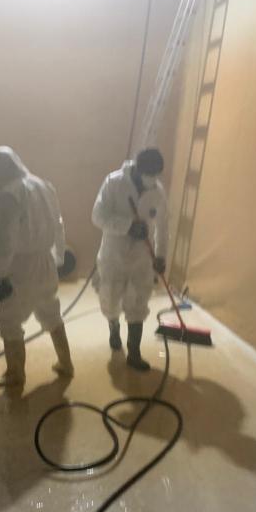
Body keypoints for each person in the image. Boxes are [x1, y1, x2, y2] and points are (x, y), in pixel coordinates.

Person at [0, 147, 74, 388]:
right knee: (51, 311)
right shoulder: (44, 185)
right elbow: (59, 224)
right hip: (46, 260)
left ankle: (15, 374)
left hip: (21, 266)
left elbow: (7, 241)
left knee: (8, 319)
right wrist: (58, 258)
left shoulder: (9, 195)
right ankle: (66, 363)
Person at [92, 148, 168, 371]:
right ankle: (113, 328)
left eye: (155, 174)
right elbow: (98, 215)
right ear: (137, 168)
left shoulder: (158, 192)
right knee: (110, 299)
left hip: (141, 258)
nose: (152, 178)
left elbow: (163, 227)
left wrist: (161, 256)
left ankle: (134, 352)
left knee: (138, 301)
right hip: (113, 255)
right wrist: (127, 227)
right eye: (148, 173)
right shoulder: (114, 182)